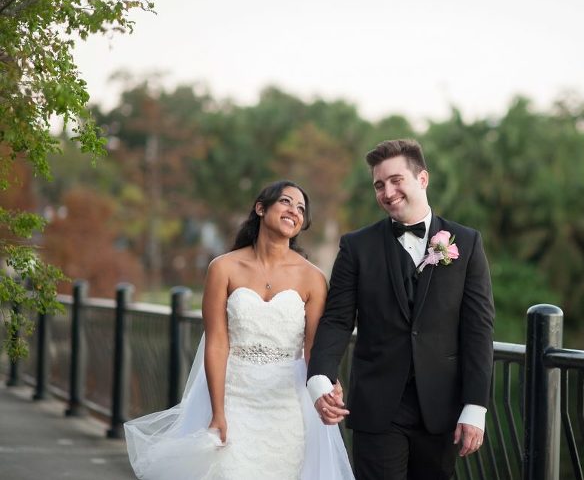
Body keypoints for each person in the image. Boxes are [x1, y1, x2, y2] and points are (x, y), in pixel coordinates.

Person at [124, 180, 354, 480]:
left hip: (286, 406)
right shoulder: (223, 268)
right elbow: (217, 345)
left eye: (301, 208)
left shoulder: (313, 278)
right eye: (286, 202)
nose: (294, 211)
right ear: (261, 208)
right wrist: (217, 412)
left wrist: (327, 385)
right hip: (234, 398)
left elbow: (313, 349)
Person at [307, 138, 495, 480]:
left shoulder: (466, 243)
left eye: (396, 180)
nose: (387, 192)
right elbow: (336, 320)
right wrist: (320, 377)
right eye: (379, 185)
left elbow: (478, 330)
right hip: (377, 407)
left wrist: (475, 406)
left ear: (422, 179)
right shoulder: (356, 246)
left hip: (442, 410)